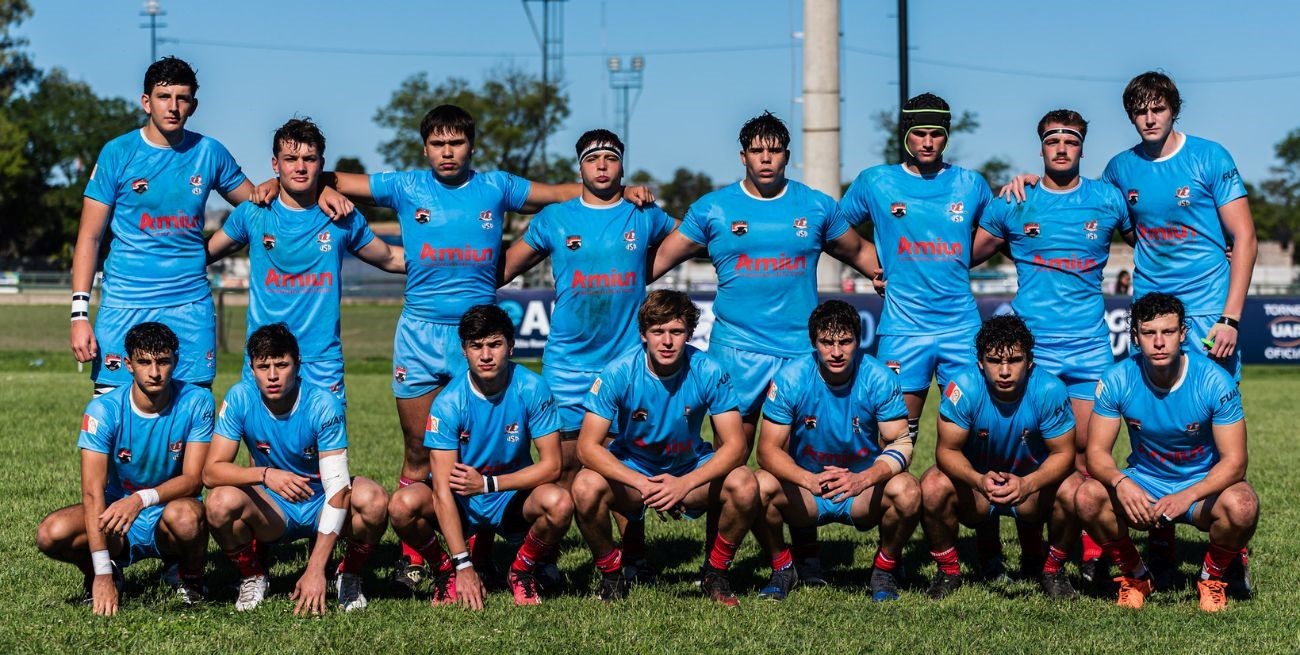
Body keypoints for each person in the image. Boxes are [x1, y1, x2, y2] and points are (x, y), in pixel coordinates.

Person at [260, 105, 647, 588]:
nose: (448, 152)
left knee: (490, 452)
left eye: (457, 143)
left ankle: (485, 551)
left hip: (477, 335)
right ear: (425, 148)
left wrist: (622, 193)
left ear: (471, 147)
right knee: (419, 452)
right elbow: (323, 174)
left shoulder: (497, 186)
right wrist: (274, 185)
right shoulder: (406, 186)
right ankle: (414, 560)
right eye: (438, 144)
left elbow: (563, 193)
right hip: (419, 336)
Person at [650, 111, 881, 583]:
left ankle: (806, 562)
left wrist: (893, 275)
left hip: (800, 352)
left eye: (774, 150)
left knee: (800, 455)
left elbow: (860, 254)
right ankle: (717, 564)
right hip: (735, 351)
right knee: (728, 458)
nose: (766, 158)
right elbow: (652, 261)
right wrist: (629, 212)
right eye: (757, 150)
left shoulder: (816, 206)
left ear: (787, 155)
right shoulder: (713, 208)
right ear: (743, 156)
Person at [69, 57, 349, 396]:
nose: (173, 107)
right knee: (115, 411)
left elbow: (260, 203)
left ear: (193, 105)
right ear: (146, 102)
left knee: (193, 412)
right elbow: (89, 236)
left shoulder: (209, 153)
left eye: (182, 98)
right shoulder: (118, 153)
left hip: (190, 303)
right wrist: (79, 314)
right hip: (126, 302)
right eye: (163, 96)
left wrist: (318, 187)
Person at [972, 109, 1132, 586]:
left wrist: (1217, 246)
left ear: (1083, 146)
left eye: (1071, 140)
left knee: (1085, 456)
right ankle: (1010, 549)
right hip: (1029, 351)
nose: (1062, 148)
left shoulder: (1108, 199)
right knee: (1020, 451)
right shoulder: (1014, 201)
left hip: (1087, 348)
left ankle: (1087, 555)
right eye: (1053, 140)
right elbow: (966, 251)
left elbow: (1152, 236)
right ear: (1040, 145)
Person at [500, 129, 676, 485]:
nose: (602, 166)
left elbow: (691, 240)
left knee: (623, 466)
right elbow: (502, 270)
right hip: (567, 365)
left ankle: (631, 544)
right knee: (563, 466)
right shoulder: (554, 219)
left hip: (625, 362)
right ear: (579, 169)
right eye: (592, 159)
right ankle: (555, 540)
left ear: (622, 169)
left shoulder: (644, 215)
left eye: (611, 159)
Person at [572, 290, 758, 605]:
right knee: (584, 486)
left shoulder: (708, 370)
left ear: (689, 332)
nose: (667, 341)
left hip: (688, 470)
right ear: (644, 334)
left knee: (745, 483)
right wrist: (643, 484)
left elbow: (737, 445)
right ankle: (613, 574)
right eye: (658, 332)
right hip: (635, 471)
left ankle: (715, 572)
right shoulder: (619, 371)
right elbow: (587, 448)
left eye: (676, 331)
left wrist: (683, 484)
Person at [1075, 293, 1257, 612]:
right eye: (1149, 333)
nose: (1159, 342)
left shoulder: (1215, 381)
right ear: (1135, 337)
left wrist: (1188, 495)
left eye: (1168, 332)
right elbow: (1097, 454)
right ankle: (1135, 576)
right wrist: (1121, 482)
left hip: (1201, 487)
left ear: (1183, 334)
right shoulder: (1116, 379)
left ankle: (1210, 578)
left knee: (1243, 505)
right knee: (1087, 496)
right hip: (1146, 483)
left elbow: (1235, 462)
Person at [206, 117, 405, 405]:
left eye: (309, 159)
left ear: (321, 163)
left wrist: (449, 263)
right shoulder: (253, 212)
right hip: (266, 359)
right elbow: (203, 254)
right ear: (276, 165)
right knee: (263, 449)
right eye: (291, 158)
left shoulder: (342, 217)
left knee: (327, 450)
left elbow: (389, 257)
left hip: (321, 361)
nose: (300, 167)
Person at [387, 304, 571, 608]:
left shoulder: (533, 387)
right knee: (402, 505)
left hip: (509, 496)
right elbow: (443, 490)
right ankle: (444, 571)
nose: (486, 356)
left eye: (495, 345)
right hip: (461, 498)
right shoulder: (448, 403)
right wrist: (462, 566)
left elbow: (552, 466)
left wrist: (489, 484)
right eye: (476, 346)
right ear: (464, 350)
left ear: (511, 345)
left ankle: (522, 570)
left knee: (560, 503)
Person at [834, 93, 992, 447]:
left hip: (961, 327)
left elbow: (999, 234)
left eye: (936, 134)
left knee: (973, 436)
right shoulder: (875, 182)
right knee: (896, 436)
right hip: (904, 327)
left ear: (947, 136)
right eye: (919, 133)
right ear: (905, 134)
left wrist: (1023, 186)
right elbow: (834, 230)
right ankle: (899, 502)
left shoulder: (971, 184)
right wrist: (871, 267)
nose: (928, 142)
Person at [203, 324, 388, 614]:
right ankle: (253, 575)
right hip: (273, 506)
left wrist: (315, 569)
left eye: (281, 364)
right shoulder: (240, 397)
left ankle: (348, 574)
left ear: (297, 364)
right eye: (264, 366)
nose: (273, 375)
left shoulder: (323, 404)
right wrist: (265, 475)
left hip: (320, 500)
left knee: (373, 499)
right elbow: (211, 473)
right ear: (251, 368)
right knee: (218, 502)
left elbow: (338, 490)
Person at [36, 322, 214, 615]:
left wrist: (140, 499)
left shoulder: (198, 401)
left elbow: (194, 480)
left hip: (168, 512)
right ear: (129, 364)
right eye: (144, 362)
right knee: (51, 533)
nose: (154, 372)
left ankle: (189, 577)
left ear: (176, 362)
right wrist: (102, 573)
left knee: (186, 516)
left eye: (163, 362)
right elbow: (93, 492)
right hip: (115, 520)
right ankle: (104, 572)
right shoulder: (103, 410)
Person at [752, 300, 920, 602]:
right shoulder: (791, 378)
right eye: (827, 342)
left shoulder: (879, 377)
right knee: (758, 486)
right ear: (814, 343)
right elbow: (766, 451)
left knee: (908, 490)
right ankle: (783, 567)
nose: (837, 351)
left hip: (861, 492)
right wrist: (808, 480)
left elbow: (901, 442)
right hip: (807, 491)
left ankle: (884, 570)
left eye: (845, 341)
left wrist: (863, 479)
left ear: (858, 339)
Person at [919, 315, 1081, 600]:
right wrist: (978, 480)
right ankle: (948, 570)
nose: (1004, 371)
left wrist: (1028, 484)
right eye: (994, 361)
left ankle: (1052, 570)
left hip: (1032, 489)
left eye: (1015, 360)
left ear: (1029, 362)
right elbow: (946, 451)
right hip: (978, 490)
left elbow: (1065, 454)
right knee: (932, 484)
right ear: (981, 363)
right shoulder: (962, 388)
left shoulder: (1049, 389)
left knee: (1076, 488)